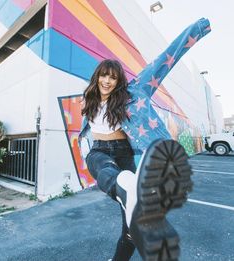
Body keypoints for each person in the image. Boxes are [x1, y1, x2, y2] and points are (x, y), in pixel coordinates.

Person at [79, 18, 211, 261]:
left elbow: (165, 60)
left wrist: (197, 29)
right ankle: (125, 185)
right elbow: (86, 131)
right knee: (100, 165)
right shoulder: (88, 100)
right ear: (97, 76)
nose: (107, 81)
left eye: (113, 78)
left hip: (123, 153)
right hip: (100, 151)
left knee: (132, 225)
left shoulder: (134, 92)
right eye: (103, 76)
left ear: (119, 81)